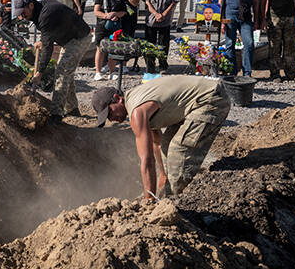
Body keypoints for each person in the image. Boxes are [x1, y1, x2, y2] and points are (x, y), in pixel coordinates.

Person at [92, 76, 231, 198]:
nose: (111, 119)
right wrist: (163, 174)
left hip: (212, 99)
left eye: (110, 112)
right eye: (107, 117)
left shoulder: (137, 112)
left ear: (117, 99)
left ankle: (174, 200)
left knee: (178, 150)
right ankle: (170, 190)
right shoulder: (137, 101)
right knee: (167, 144)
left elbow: (147, 159)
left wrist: (149, 199)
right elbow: (157, 142)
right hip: (198, 101)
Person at [13, 0, 90, 123]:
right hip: (68, 40)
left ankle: (56, 114)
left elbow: (48, 49)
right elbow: (49, 33)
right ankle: (72, 109)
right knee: (66, 72)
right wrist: (43, 41)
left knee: (62, 71)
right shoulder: (39, 11)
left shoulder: (46, 14)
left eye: (22, 12)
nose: (21, 16)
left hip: (79, 38)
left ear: (30, 5)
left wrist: (39, 72)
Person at [218, 0, 259, 76]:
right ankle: (232, 72)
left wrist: (257, 19)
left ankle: (247, 73)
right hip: (229, 17)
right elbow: (221, 2)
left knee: (249, 44)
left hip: (246, 17)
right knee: (230, 45)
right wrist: (221, 21)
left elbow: (256, 1)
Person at [142, 0, 178, 73]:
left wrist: (164, 14)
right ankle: (150, 67)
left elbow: (174, 2)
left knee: (163, 45)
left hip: (165, 21)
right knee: (150, 45)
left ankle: (163, 66)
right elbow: (147, 1)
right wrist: (156, 14)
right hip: (151, 21)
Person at [93, 0, 127, 80]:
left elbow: (124, 12)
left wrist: (116, 14)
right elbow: (96, 11)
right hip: (102, 25)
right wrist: (106, 16)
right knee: (100, 48)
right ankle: (98, 72)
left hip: (115, 26)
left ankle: (112, 72)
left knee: (113, 49)